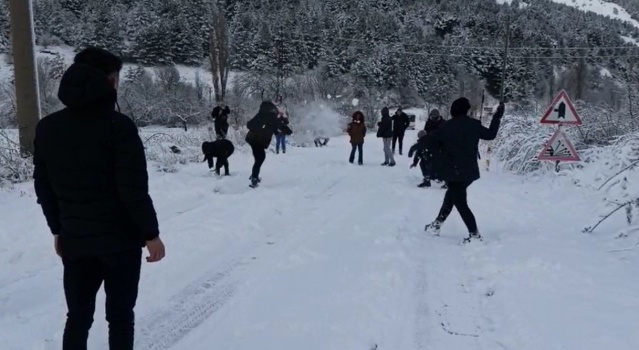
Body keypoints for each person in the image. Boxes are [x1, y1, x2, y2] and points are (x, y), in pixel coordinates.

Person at [33, 47, 165, 350]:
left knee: (78, 316)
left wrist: (58, 230)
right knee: (119, 317)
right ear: (108, 81)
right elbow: (133, 189)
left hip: (75, 241)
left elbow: (44, 187)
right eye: (116, 78)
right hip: (121, 243)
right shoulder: (119, 126)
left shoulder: (48, 128)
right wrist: (151, 234)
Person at [419, 97, 504, 243]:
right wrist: (497, 117)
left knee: (460, 203)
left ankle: (475, 235)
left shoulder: (447, 126)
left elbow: (430, 140)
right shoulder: (474, 125)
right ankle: (436, 225)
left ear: (453, 110)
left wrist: (422, 140)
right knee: (451, 197)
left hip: (453, 171)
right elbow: (491, 135)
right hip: (469, 172)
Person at [245, 101, 292, 188]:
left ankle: (254, 175)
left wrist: (262, 128)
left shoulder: (259, 115)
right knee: (260, 158)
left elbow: (249, 124)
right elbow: (281, 126)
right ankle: (254, 179)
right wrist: (289, 131)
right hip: (258, 141)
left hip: (251, 139)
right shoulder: (272, 117)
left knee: (258, 158)